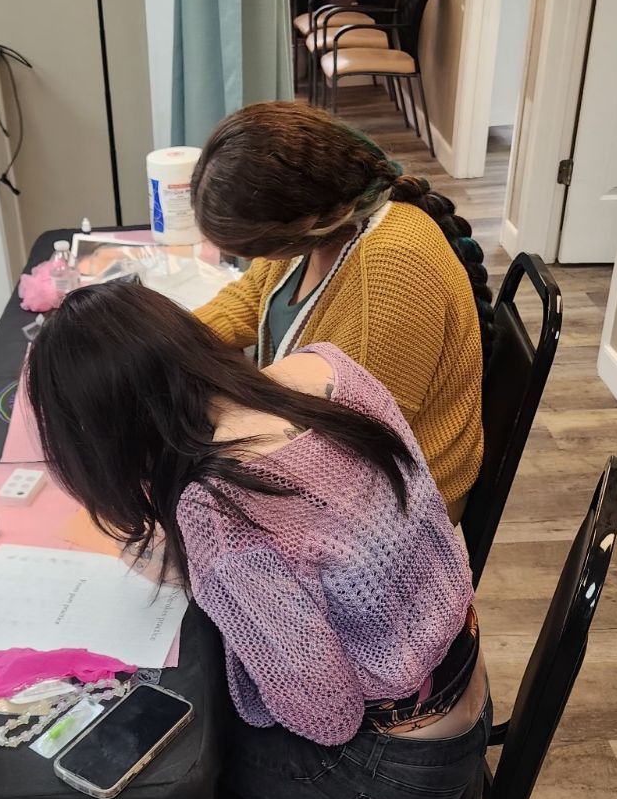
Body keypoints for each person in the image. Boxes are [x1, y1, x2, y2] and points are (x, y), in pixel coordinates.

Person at [26, 282, 491, 799]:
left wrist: (221, 593)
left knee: (180, 765)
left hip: (392, 779)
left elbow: (326, 714)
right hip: (468, 694)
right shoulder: (328, 369)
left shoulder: (221, 508)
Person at [191, 102, 494, 522]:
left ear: (303, 223)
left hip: (402, 498)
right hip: (332, 444)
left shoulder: (391, 270)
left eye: (255, 249)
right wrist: (171, 339)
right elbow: (250, 297)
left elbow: (356, 441)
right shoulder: (318, 226)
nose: (255, 260)